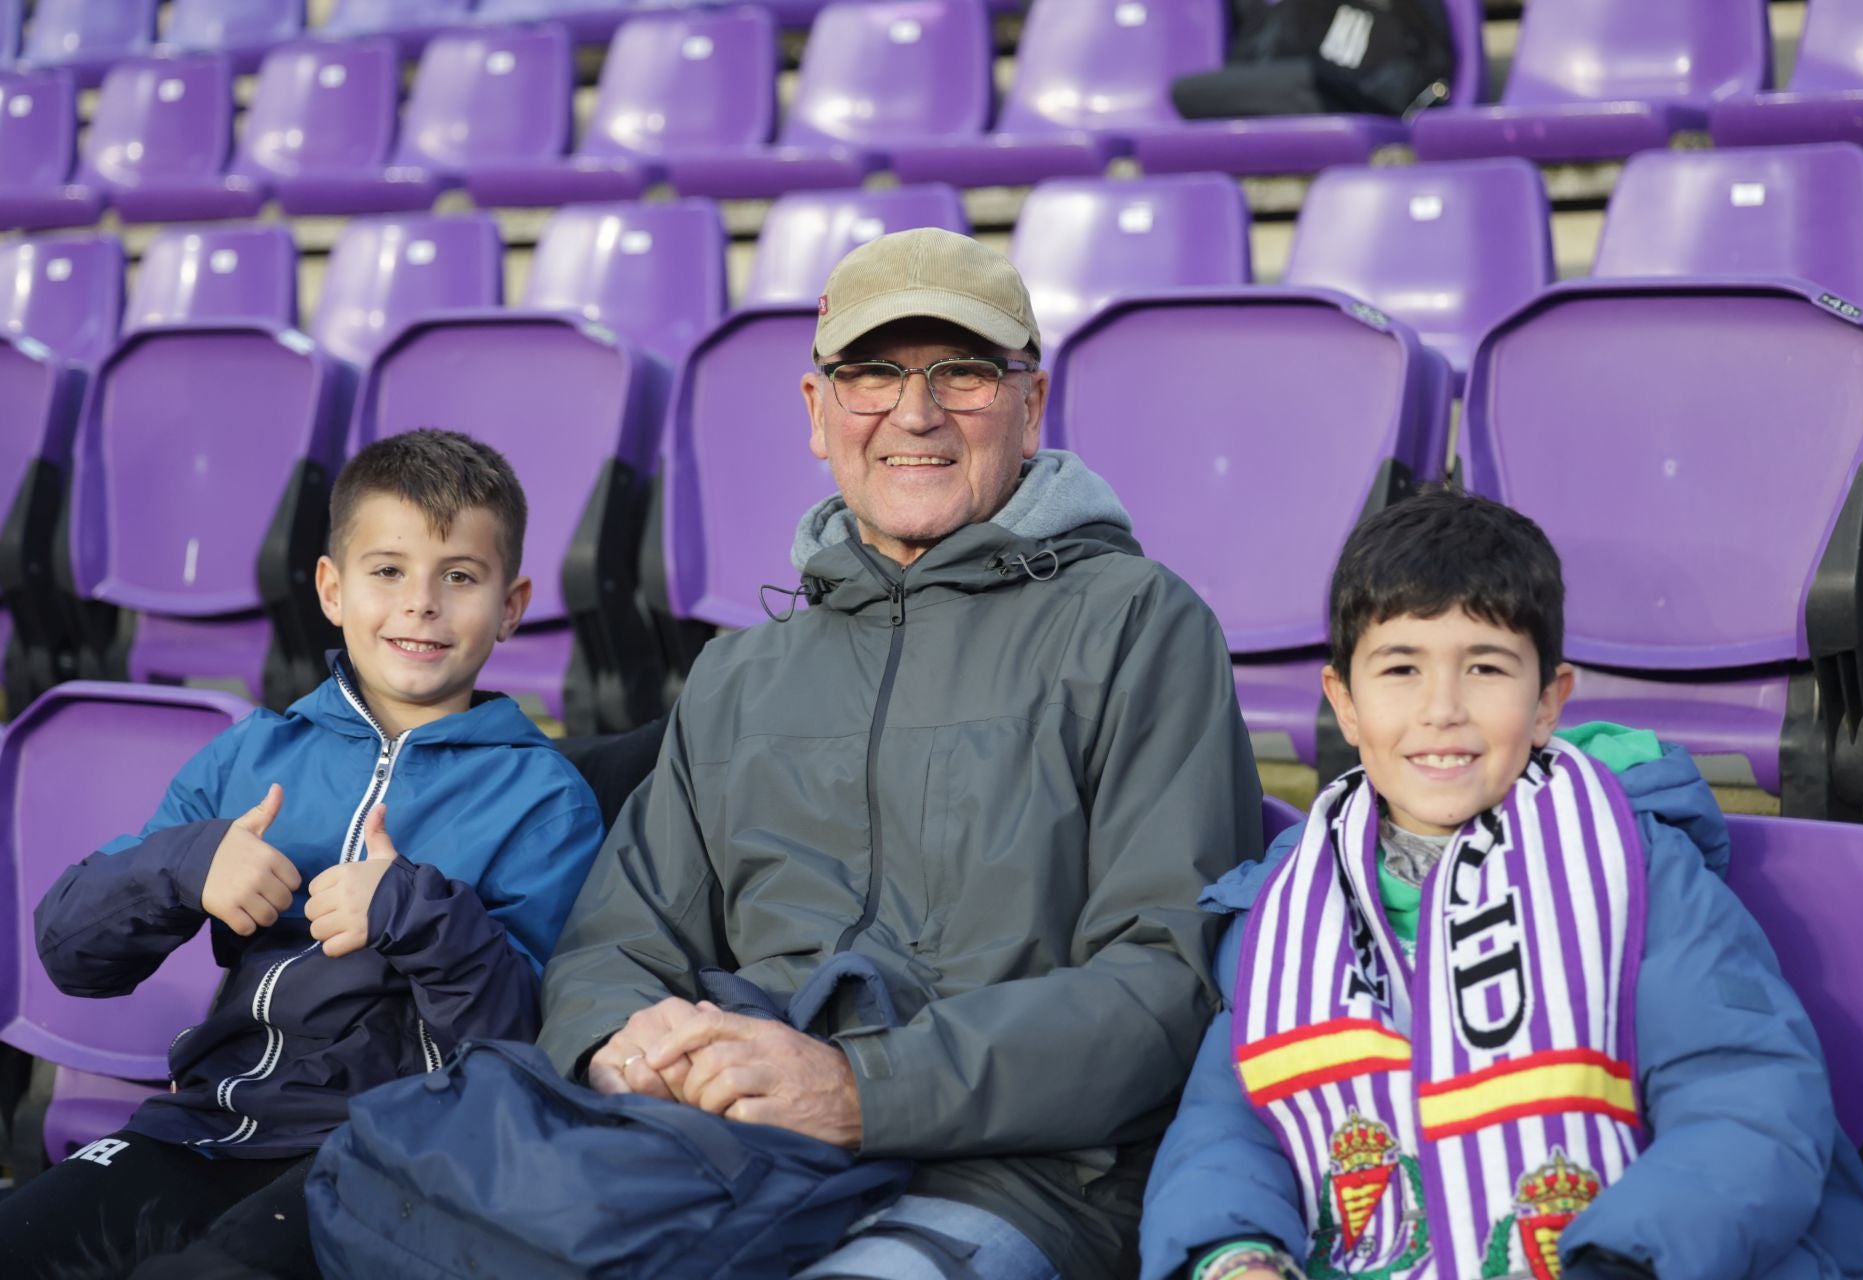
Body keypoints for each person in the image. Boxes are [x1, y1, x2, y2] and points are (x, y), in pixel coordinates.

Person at [536, 227, 1265, 1280]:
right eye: (872, 374)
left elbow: (1165, 982)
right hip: (726, 1156)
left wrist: (860, 1088)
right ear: (818, 411)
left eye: (961, 371)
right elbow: (614, 942)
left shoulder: (1138, 623)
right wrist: (620, 1043)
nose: (913, 412)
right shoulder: (742, 673)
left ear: (1030, 400)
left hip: (1019, 1174)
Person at [1137, 487, 1863, 1280]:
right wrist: (1233, 1253)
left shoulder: (1638, 874)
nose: (1442, 710)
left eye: (1486, 668)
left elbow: (1746, 1101)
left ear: (1547, 703)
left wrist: (1619, 1264)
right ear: (1345, 706)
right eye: (1400, 668)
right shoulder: (1287, 909)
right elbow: (1231, 1125)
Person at [1, 430, 605, 1278]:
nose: (421, 603)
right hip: (206, 1126)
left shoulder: (544, 801)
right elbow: (73, 953)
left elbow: (518, 1052)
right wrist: (185, 867)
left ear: (512, 606)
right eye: (387, 570)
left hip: (391, 1157)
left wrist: (414, 914)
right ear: (331, 587)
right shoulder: (252, 755)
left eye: (460, 576)